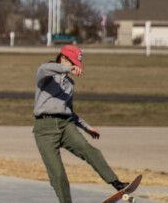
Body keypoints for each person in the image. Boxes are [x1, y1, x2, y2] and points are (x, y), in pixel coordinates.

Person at [33, 45, 128, 203]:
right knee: (58, 174)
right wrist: (66, 69)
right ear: (63, 59)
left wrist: (86, 126)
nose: (76, 68)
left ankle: (116, 183)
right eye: (74, 64)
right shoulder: (46, 75)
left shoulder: (70, 84)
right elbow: (45, 67)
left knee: (89, 151)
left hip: (65, 125)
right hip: (44, 129)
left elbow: (69, 110)